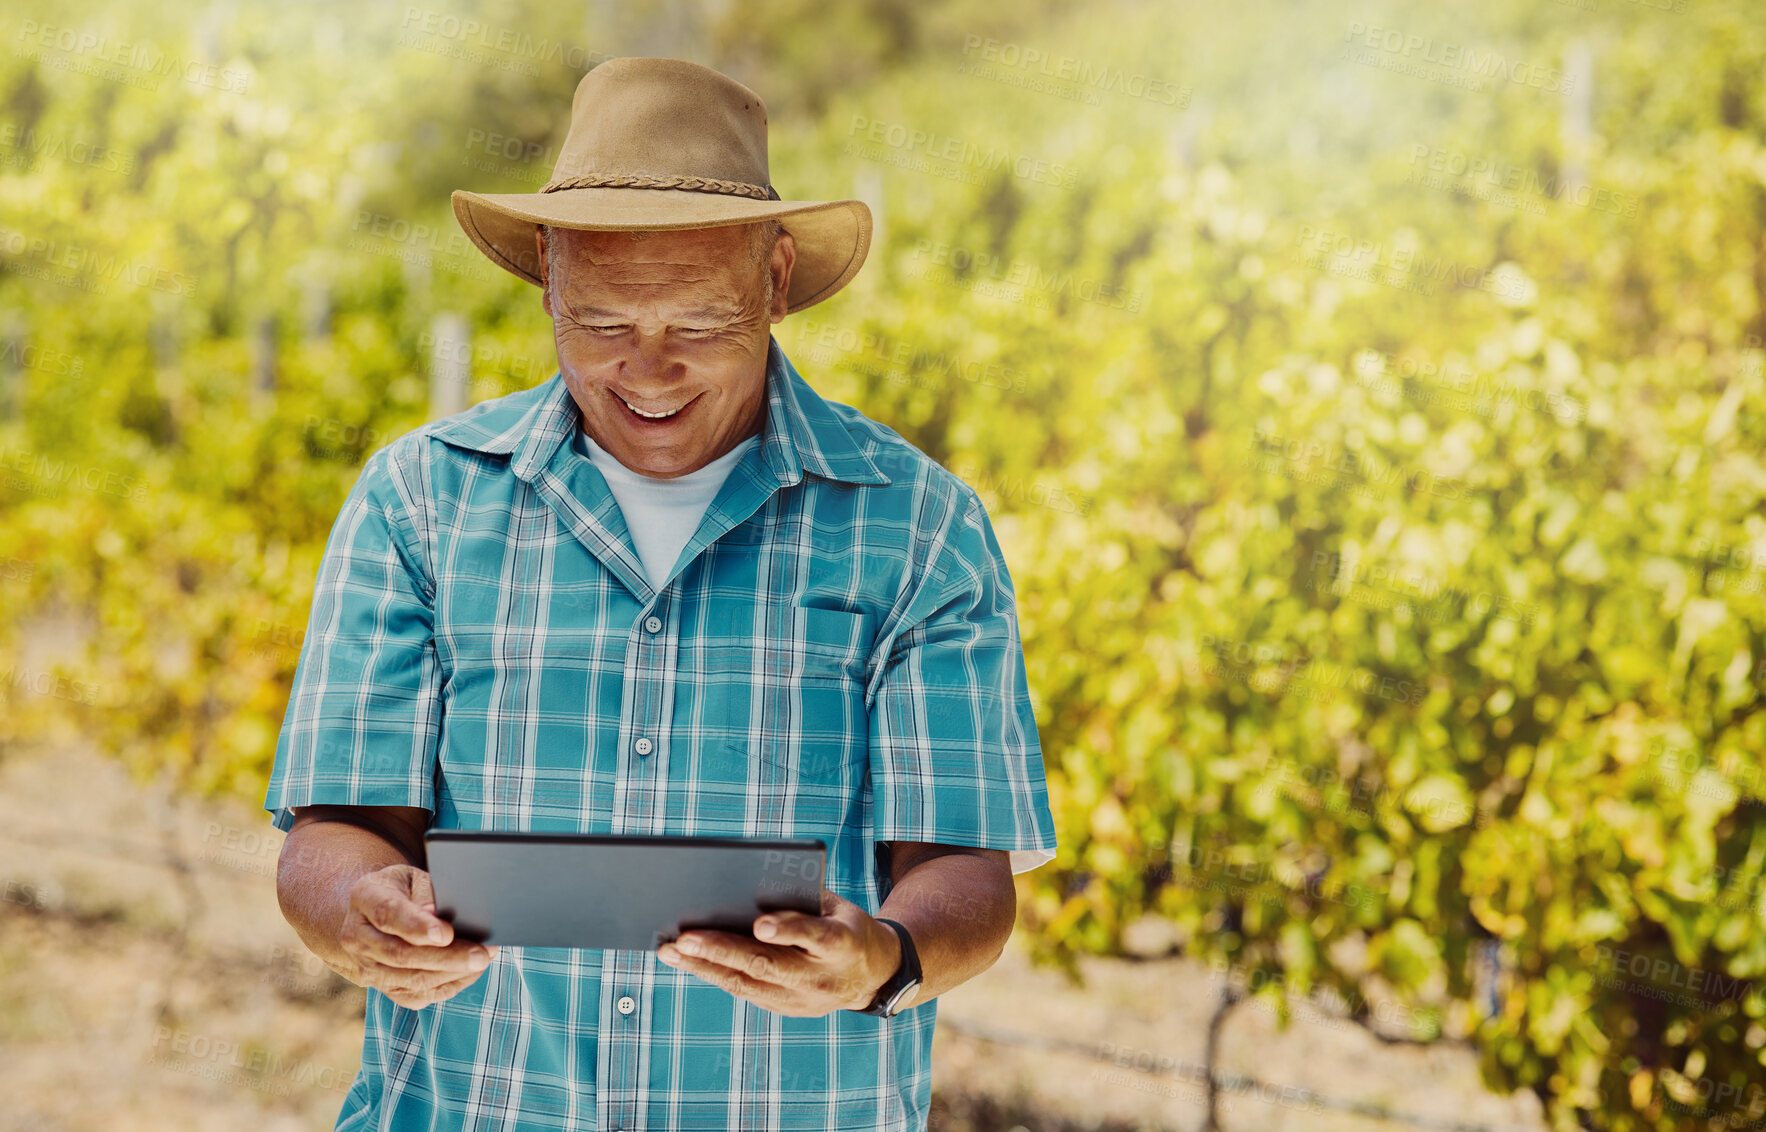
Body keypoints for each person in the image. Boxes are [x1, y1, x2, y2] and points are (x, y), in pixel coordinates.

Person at [265, 56, 1056, 1131]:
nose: (646, 369)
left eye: (695, 326)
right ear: (546, 271)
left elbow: (963, 868)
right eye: (599, 326)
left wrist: (880, 958)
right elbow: (336, 828)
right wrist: (355, 913)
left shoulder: (914, 527)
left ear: (774, 280)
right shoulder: (420, 502)